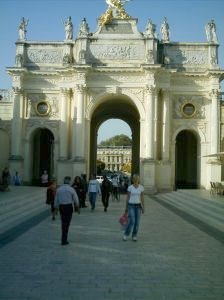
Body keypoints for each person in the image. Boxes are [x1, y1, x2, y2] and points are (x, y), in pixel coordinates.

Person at [54, 176, 79, 245]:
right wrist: (77, 206)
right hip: (69, 207)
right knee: (67, 223)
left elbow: (56, 200)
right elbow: (76, 199)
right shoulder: (71, 189)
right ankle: (64, 239)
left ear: (64, 181)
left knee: (63, 222)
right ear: (69, 181)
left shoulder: (59, 189)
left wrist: (55, 208)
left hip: (61, 207)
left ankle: (63, 238)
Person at [123, 174, 144, 242]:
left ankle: (134, 235)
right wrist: (126, 207)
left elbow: (142, 198)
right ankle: (126, 234)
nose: (136, 180)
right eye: (134, 179)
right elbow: (127, 198)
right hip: (131, 205)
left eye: (137, 179)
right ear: (132, 180)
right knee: (132, 221)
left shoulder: (141, 187)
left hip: (138, 206)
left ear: (139, 180)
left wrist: (143, 207)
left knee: (137, 222)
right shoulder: (130, 187)